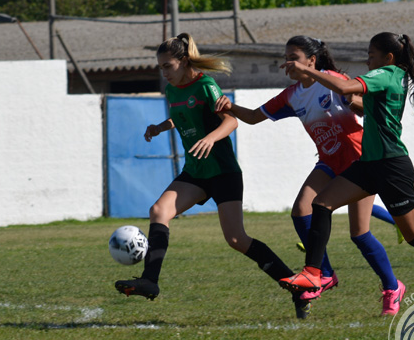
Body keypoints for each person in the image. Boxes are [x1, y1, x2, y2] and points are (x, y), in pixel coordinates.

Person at [278, 32, 414, 309]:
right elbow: (356, 101)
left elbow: (348, 87)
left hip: (392, 166)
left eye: (371, 54)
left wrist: (306, 70)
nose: (367, 59)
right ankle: (314, 273)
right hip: (369, 164)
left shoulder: (389, 74)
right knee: (321, 204)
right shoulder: (386, 76)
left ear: (389, 57)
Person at [114, 33, 303, 316]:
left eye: (168, 66)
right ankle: (149, 281)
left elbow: (231, 120)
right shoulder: (172, 91)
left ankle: (297, 288)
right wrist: (159, 127)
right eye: (161, 67)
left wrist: (211, 138)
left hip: (223, 172)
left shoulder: (205, 84)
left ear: (184, 61)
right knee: (159, 211)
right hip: (196, 170)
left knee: (237, 239)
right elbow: (182, 116)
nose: (164, 72)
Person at [215, 36, 404, 315]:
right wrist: (228, 106)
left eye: (293, 57)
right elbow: (255, 117)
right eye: (286, 56)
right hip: (329, 162)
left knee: (359, 234)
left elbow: (369, 109)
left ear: (311, 61)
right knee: (301, 210)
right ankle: (323, 274)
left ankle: (392, 287)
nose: (286, 63)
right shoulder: (291, 94)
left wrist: (355, 104)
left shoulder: (332, 80)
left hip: (360, 160)